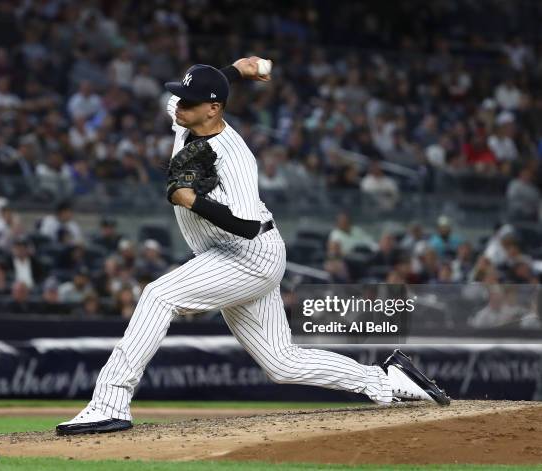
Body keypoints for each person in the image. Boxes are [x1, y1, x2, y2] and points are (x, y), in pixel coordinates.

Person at [57, 57, 449, 436]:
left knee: (158, 296)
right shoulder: (186, 118)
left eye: (190, 101)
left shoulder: (235, 156)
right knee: (281, 363)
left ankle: (110, 403)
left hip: (249, 255)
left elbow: (247, 226)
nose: (178, 105)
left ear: (213, 110)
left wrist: (192, 199)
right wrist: (236, 71)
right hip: (223, 255)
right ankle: (384, 381)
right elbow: (181, 98)